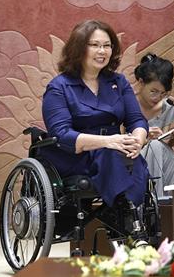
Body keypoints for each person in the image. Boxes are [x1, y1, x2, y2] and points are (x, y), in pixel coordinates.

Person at [41, 20, 149, 239]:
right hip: (75, 155)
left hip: (115, 149)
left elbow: (136, 120)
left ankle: (130, 210)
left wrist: (138, 140)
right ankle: (127, 216)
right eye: (95, 45)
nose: (102, 51)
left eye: (107, 45)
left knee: (132, 156)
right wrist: (108, 141)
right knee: (113, 153)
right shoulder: (59, 86)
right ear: (79, 48)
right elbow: (61, 134)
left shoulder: (118, 82)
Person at [134, 54, 174, 198]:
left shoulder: (167, 106)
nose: (158, 97)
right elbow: (119, 138)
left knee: (159, 147)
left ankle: (173, 202)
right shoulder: (128, 103)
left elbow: (164, 143)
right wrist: (144, 136)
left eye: (163, 93)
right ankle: (155, 201)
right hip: (134, 156)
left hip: (159, 155)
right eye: (154, 91)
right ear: (141, 82)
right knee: (154, 146)